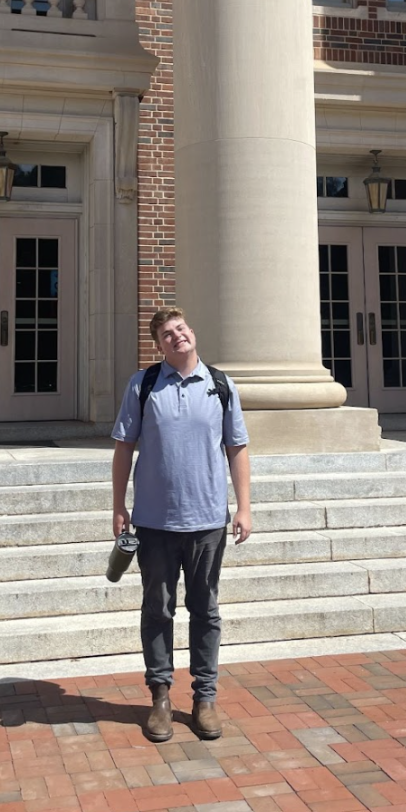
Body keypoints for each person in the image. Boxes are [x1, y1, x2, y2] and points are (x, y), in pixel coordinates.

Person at [111, 307, 251, 743]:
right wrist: (119, 506)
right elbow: (123, 449)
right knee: (158, 609)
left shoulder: (221, 385)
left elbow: (237, 448)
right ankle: (160, 699)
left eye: (182, 329)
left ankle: (205, 699)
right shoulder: (143, 384)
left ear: (193, 333)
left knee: (205, 611)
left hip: (208, 520)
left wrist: (243, 508)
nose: (178, 337)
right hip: (154, 522)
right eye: (168, 334)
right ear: (159, 345)